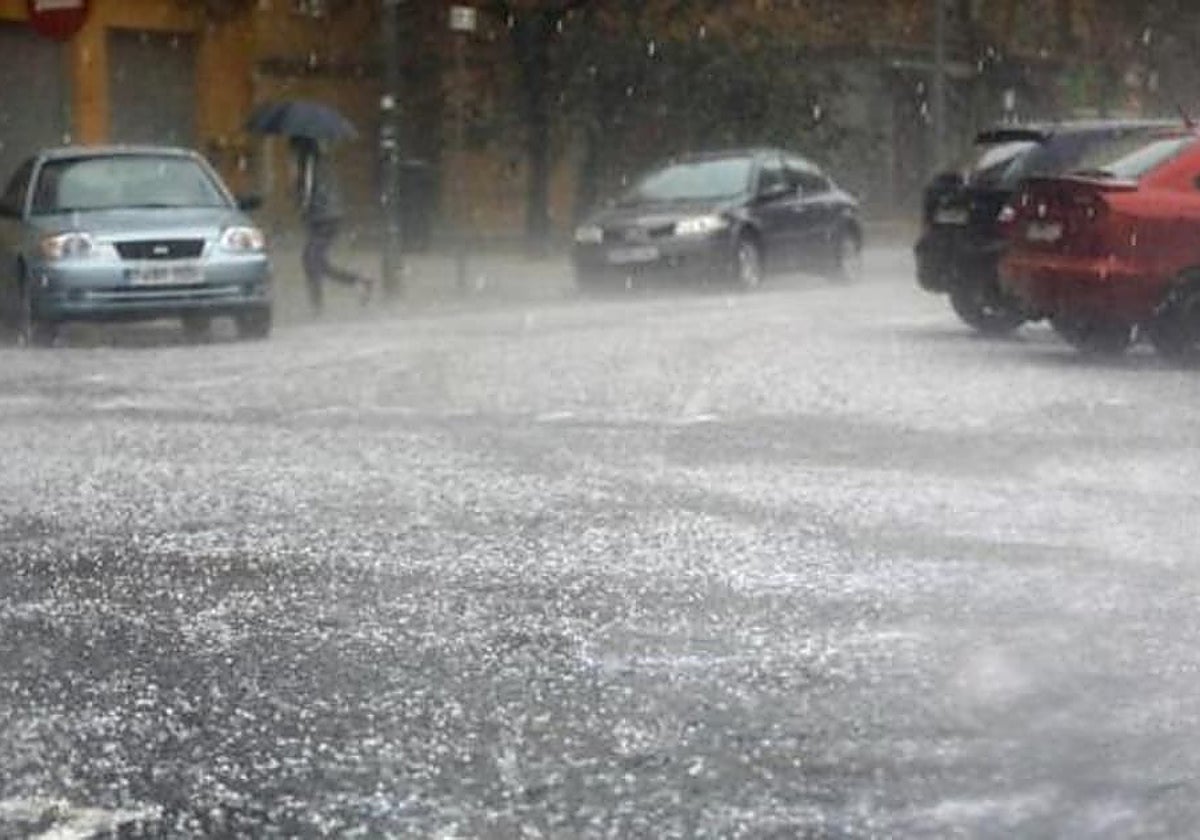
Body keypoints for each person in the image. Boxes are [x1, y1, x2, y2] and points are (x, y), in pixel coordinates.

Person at [289, 136, 373, 313]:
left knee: (311, 259)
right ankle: (359, 281)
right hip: (326, 215)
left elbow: (307, 191)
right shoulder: (317, 159)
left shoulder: (309, 162)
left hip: (324, 216)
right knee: (315, 261)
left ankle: (318, 306)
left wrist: (300, 202)